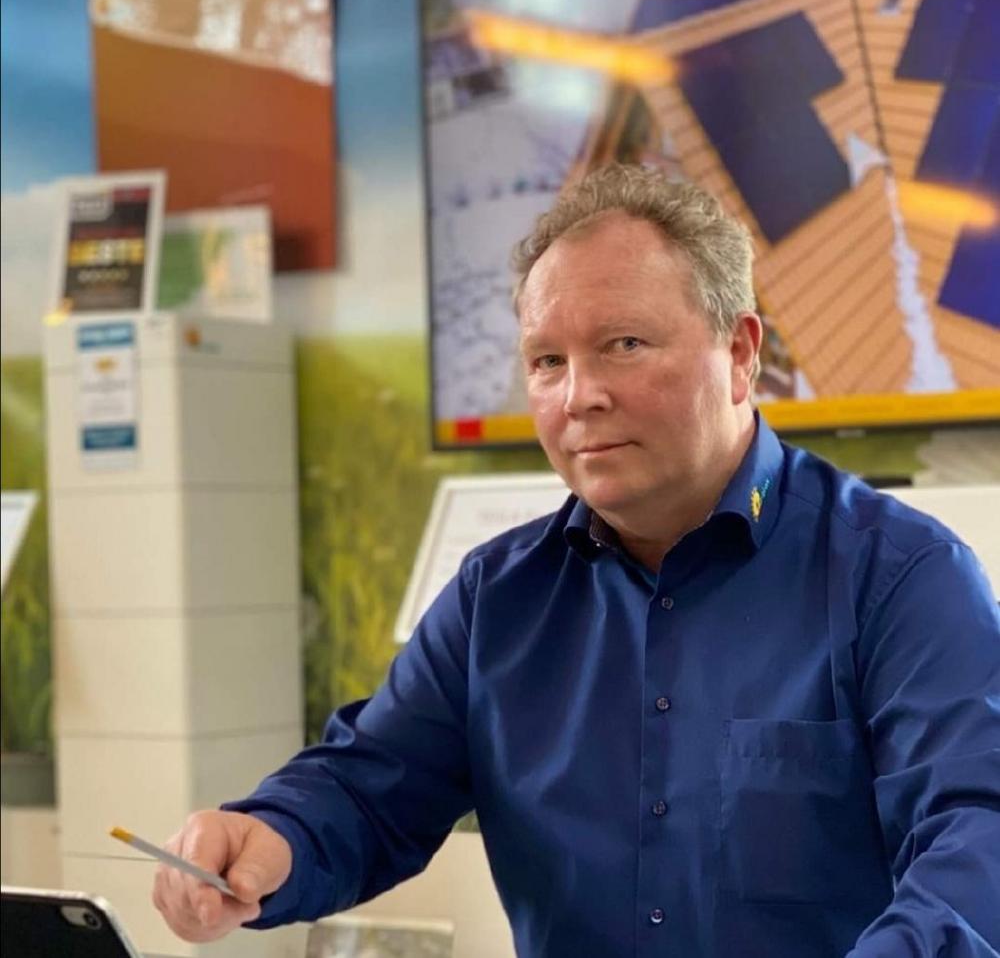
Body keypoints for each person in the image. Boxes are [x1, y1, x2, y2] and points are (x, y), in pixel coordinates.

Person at [152, 164, 1000, 957]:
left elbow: (977, 840)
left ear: (741, 354)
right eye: (547, 361)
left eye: (624, 344)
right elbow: (370, 789)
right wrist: (269, 836)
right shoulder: (496, 600)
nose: (579, 396)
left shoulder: (900, 578)